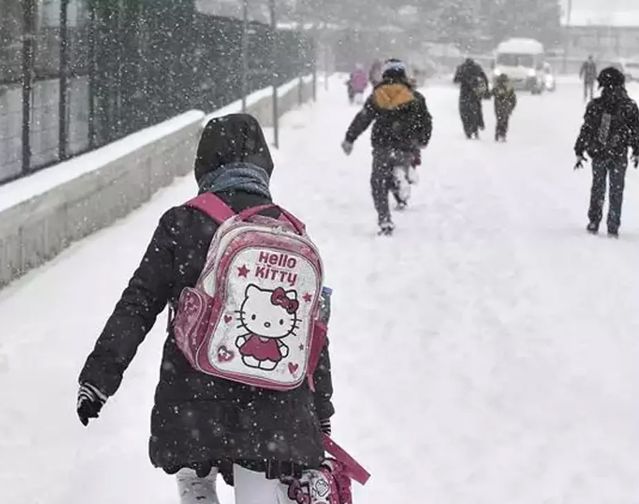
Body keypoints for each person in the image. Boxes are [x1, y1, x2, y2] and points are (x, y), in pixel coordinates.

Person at [76, 114, 335, 503]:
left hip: (193, 398)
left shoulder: (182, 223)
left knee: (194, 464)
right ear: (263, 165)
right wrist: (321, 409)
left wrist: (98, 378)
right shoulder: (290, 232)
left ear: (204, 164)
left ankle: (196, 485)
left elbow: (139, 303)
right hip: (275, 408)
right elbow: (311, 333)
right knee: (263, 483)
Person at [341, 59, 433, 236]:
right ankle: (404, 178)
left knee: (379, 182)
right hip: (407, 145)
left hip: (383, 145)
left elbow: (363, 118)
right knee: (400, 166)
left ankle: (385, 219)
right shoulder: (416, 97)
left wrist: (349, 139)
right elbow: (426, 121)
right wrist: (423, 139)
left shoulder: (378, 95)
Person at [574, 68, 639, 237]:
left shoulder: (596, 105)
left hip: (599, 151)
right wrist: (636, 149)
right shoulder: (629, 106)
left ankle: (594, 220)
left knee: (598, 187)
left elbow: (587, 129)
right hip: (619, 152)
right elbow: (636, 129)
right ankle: (613, 223)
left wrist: (580, 148)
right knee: (616, 189)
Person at [454, 58, 489, 139]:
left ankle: (468, 130)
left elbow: (455, 80)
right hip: (475, 92)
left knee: (464, 112)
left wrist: (463, 79)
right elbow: (484, 79)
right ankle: (477, 126)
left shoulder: (461, 68)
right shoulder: (477, 68)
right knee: (476, 110)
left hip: (464, 93)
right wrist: (486, 90)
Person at [492, 74, 517, 142]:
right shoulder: (504, 88)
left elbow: (513, 99)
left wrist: (511, 106)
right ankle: (501, 134)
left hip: (502, 107)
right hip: (504, 107)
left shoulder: (504, 88)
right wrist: (511, 107)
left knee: (501, 120)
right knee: (503, 120)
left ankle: (500, 133)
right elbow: (513, 99)